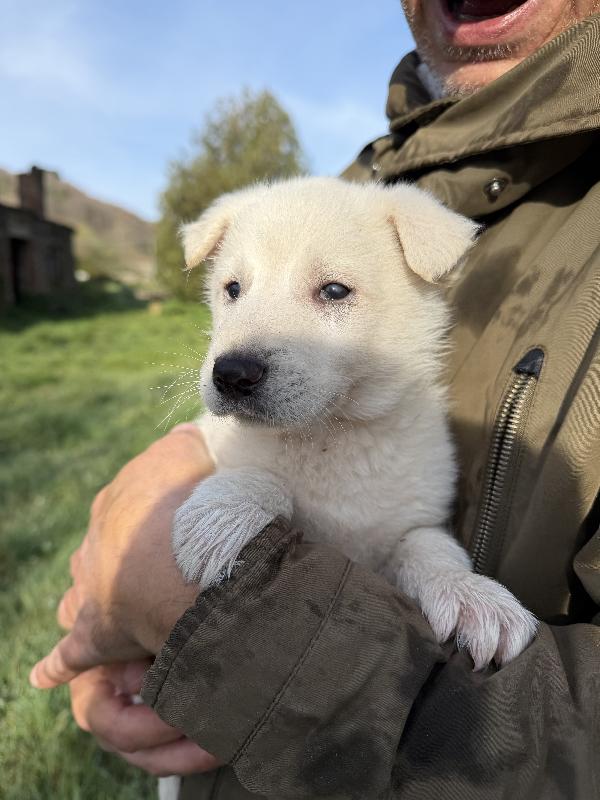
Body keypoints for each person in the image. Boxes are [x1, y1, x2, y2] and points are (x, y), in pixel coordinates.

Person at [31, 1, 600, 797]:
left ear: (418, 288)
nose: (243, 344)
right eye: (232, 289)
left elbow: (407, 534)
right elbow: (197, 471)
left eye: (331, 292)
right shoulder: (345, 191)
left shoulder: (406, 236)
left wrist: (442, 574)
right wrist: (228, 494)